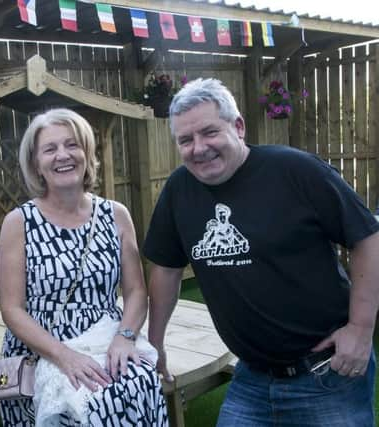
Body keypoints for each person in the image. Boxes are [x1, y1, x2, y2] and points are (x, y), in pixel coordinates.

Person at [144, 77, 379, 426]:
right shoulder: (179, 190)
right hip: (251, 376)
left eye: (209, 132)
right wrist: (155, 344)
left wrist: (360, 330)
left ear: (238, 127)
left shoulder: (296, 171)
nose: (199, 147)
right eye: (186, 140)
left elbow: (367, 237)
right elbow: (166, 268)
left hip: (327, 372)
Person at [0, 108, 167, 426]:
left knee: (137, 382)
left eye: (72, 145)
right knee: (88, 402)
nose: (63, 155)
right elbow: (12, 310)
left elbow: (135, 290)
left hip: (106, 337)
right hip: (42, 347)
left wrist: (125, 337)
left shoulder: (115, 214)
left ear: (87, 152)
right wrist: (64, 356)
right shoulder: (18, 222)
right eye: (50, 148)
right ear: (36, 163)